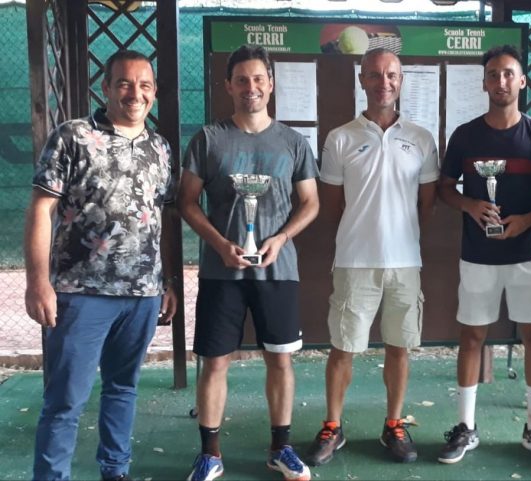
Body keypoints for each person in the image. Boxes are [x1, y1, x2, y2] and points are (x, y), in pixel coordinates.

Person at [25, 49, 178, 481]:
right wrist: (38, 283)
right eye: (124, 83)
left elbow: (162, 216)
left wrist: (167, 281)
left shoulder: (160, 147)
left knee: (123, 389)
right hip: (79, 294)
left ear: (154, 92)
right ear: (106, 87)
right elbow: (40, 209)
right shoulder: (73, 136)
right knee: (64, 401)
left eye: (144, 85)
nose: (135, 94)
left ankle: (115, 470)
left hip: (142, 295)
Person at [178, 45, 319, 481]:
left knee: (280, 360)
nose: (250, 87)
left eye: (258, 79)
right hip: (221, 271)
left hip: (278, 269)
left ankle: (281, 449)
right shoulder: (208, 139)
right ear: (228, 86)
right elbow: (186, 202)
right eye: (242, 80)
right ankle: (210, 454)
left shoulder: (293, 142)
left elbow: (311, 203)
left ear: (270, 84)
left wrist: (281, 238)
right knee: (216, 361)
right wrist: (221, 244)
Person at [304, 47, 438, 466]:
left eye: (392, 75)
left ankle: (394, 424)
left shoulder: (421, 138)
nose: (384, 83)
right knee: (342, 349)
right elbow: (331, 205)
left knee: (399, 348)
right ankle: (332, 425)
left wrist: (399, 232)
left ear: (401, 81)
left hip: (405, 262)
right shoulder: (340, 137)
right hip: (354, 261)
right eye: (375, 75)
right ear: (362, 80)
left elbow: (426, 203)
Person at [436, 45, 531, 467]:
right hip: (478, 255)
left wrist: (528, 220)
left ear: (522, 81)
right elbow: (444, 189)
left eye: (509, 73)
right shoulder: (465, 135)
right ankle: (465, 427)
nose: (501, 81)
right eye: (493, 74)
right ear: (484, 83)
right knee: (472, 337)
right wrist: (470, 205)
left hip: (527, 253)